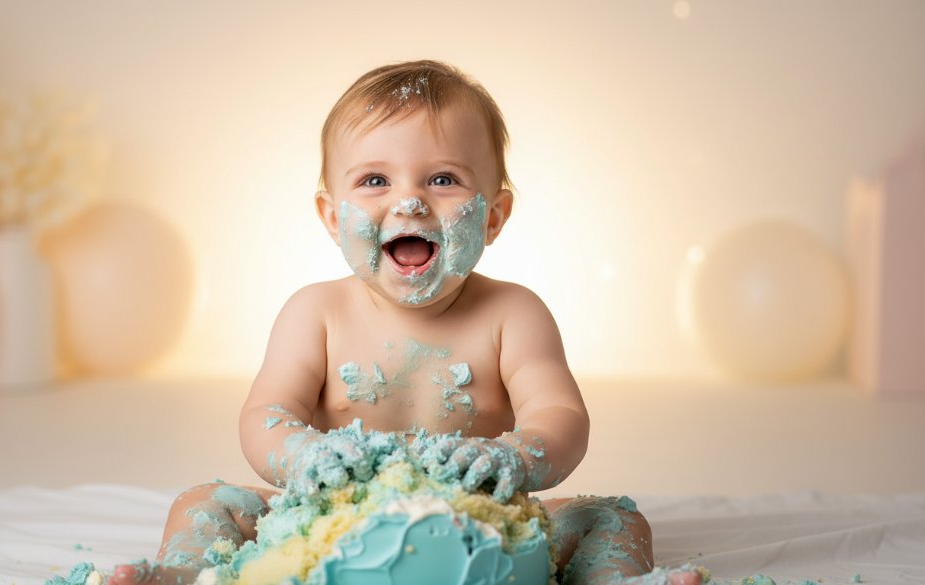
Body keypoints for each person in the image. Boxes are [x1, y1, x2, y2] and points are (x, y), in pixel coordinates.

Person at [110, 60, 703, 585]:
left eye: (443, 180)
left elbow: (561, 417)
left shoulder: (514, 314)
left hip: (480, 522)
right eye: (375, 180)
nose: (410, 202)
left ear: (494, 216)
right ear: (331, 216)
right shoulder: (316, 312)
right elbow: (265, 415)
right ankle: (186, 574)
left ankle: (613, 579)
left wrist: (515, 458)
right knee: (205, 501)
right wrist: (304, 456)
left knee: (611, 516)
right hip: (332, 519)